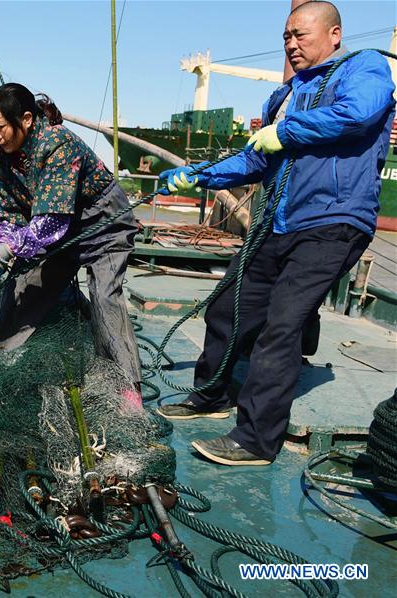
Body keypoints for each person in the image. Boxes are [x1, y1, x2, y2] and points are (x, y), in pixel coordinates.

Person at [156, 1, 395, 466]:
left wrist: (287, 131)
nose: (291, 44)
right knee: (228, 306)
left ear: (334, 35)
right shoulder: (283, 96)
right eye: (286, 36)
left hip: (333, 221)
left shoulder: (364, 66)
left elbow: (359, 113)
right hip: (277, 223)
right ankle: (210, 395)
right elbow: (255, 158)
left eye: (300, 35)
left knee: (281, 327)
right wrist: (198, 176)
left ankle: (255, 441)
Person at [0, 82, 143, 394]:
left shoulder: (57, 142)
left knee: (105, 297)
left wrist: (11, 247)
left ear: (25, 119)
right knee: (23, 285)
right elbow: (10, 211)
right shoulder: (2, 157)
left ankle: (127, 388)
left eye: (0, 127)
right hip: (58, 230)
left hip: (103, 223)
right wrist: (3, 244)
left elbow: (51, 221)